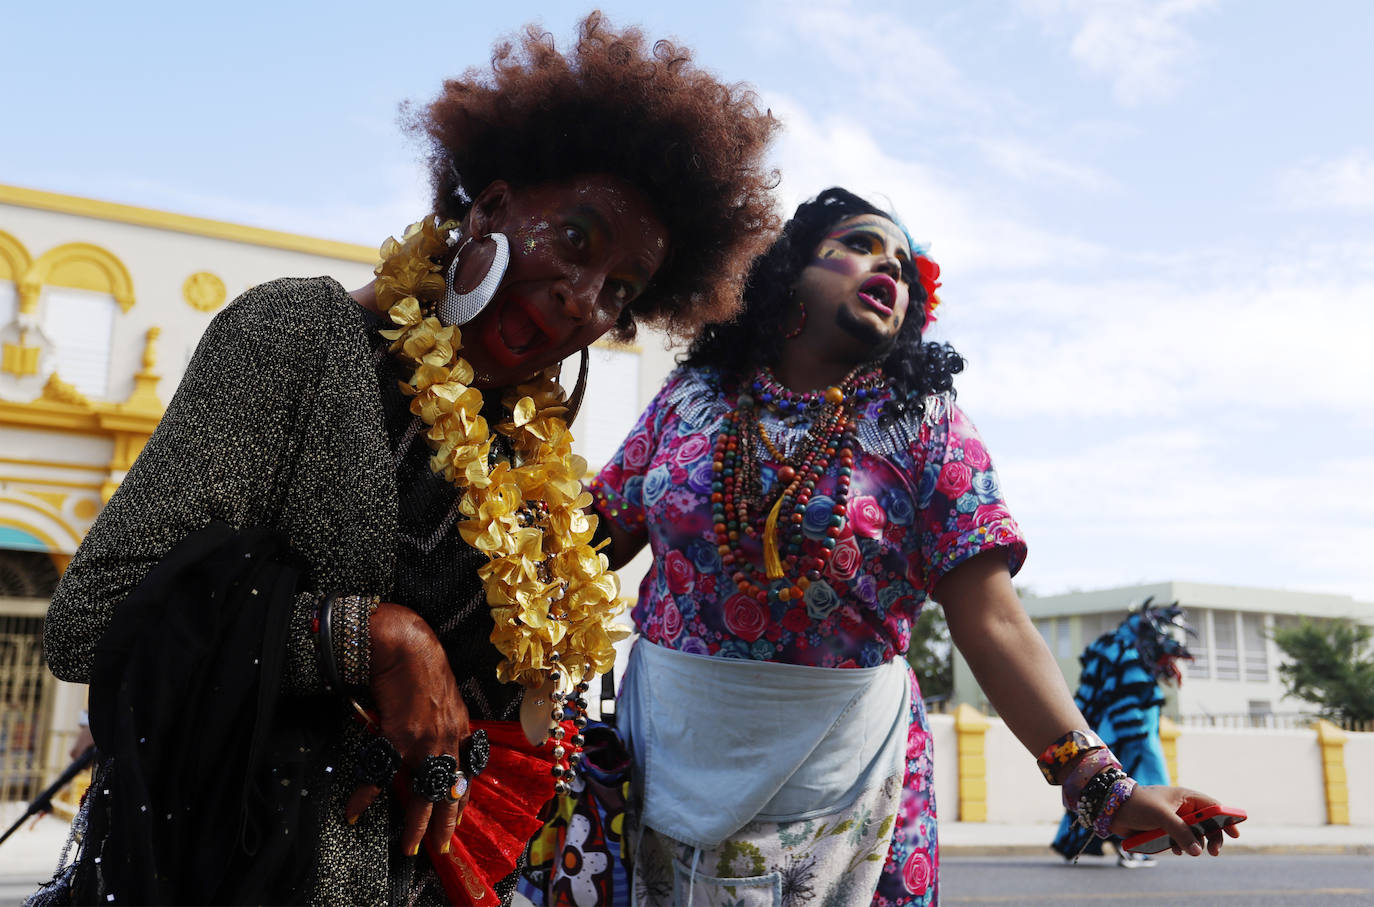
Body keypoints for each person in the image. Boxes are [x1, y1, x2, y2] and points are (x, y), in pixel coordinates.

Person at [40, 13, 778, 906]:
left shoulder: (527, 461)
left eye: (621, 291)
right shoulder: (298, 336)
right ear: (492, 206)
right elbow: (94, 615)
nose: (585, 300)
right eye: (578, 241)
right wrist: (378, 636)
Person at [588, 188, 1238, 906]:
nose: (889, 267)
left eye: (903, 263)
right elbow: (585, 543)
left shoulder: (926, 425)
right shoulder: (692, 398)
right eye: (861, 244)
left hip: (856, 790)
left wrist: (1103, 783)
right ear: (788, 271)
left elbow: (992, 622)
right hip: (665, 769)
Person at [1052, 599, 1196, 866]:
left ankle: (1082, 842)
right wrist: (1136, 734)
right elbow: (1127, 700)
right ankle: (1133, 847)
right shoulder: (1128, 651)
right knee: (1140, 788)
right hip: (1130, 735)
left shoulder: (1110, 645)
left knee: (1099, 786)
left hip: (1105, 731)